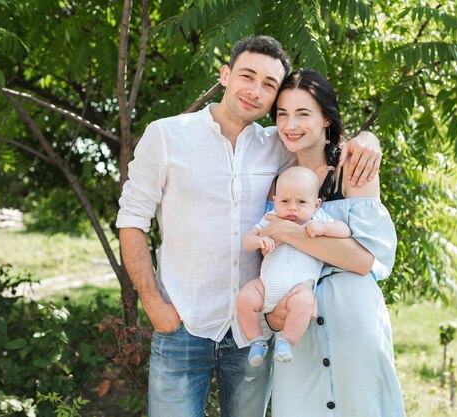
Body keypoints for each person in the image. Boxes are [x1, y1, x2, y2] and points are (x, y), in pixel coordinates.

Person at [116, 35, 382, 417]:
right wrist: (153, 303)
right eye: (247, 76)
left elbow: (321, 133)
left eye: (270, 85)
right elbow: (132, 219)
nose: (255, 91)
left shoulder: (278, 144)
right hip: (182, 325)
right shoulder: (167, 135)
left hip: (252, 330)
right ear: (225, 75)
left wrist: (369, 139)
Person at [260, 68, 406, 417]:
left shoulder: (350, 168)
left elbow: (363, 260)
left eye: (303, 113)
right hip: (297, 329)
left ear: (326, 117)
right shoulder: (274, 180)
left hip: (352, 320)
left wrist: (288, 232)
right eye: (282, 114)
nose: (290, 124)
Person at [238, 166, 351, 367]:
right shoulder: (271, 218)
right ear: (275, 201)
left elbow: (345, 230)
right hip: (266, 287)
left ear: (316, 204)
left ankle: (286, 342)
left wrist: (323, 228)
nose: (292, 208)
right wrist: (258, 241)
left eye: (301, 202)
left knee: (305, 302)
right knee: (245, 297)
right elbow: (247, 239)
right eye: (284, 201)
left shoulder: (317, 219)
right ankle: (256, 341)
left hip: (298, 289)